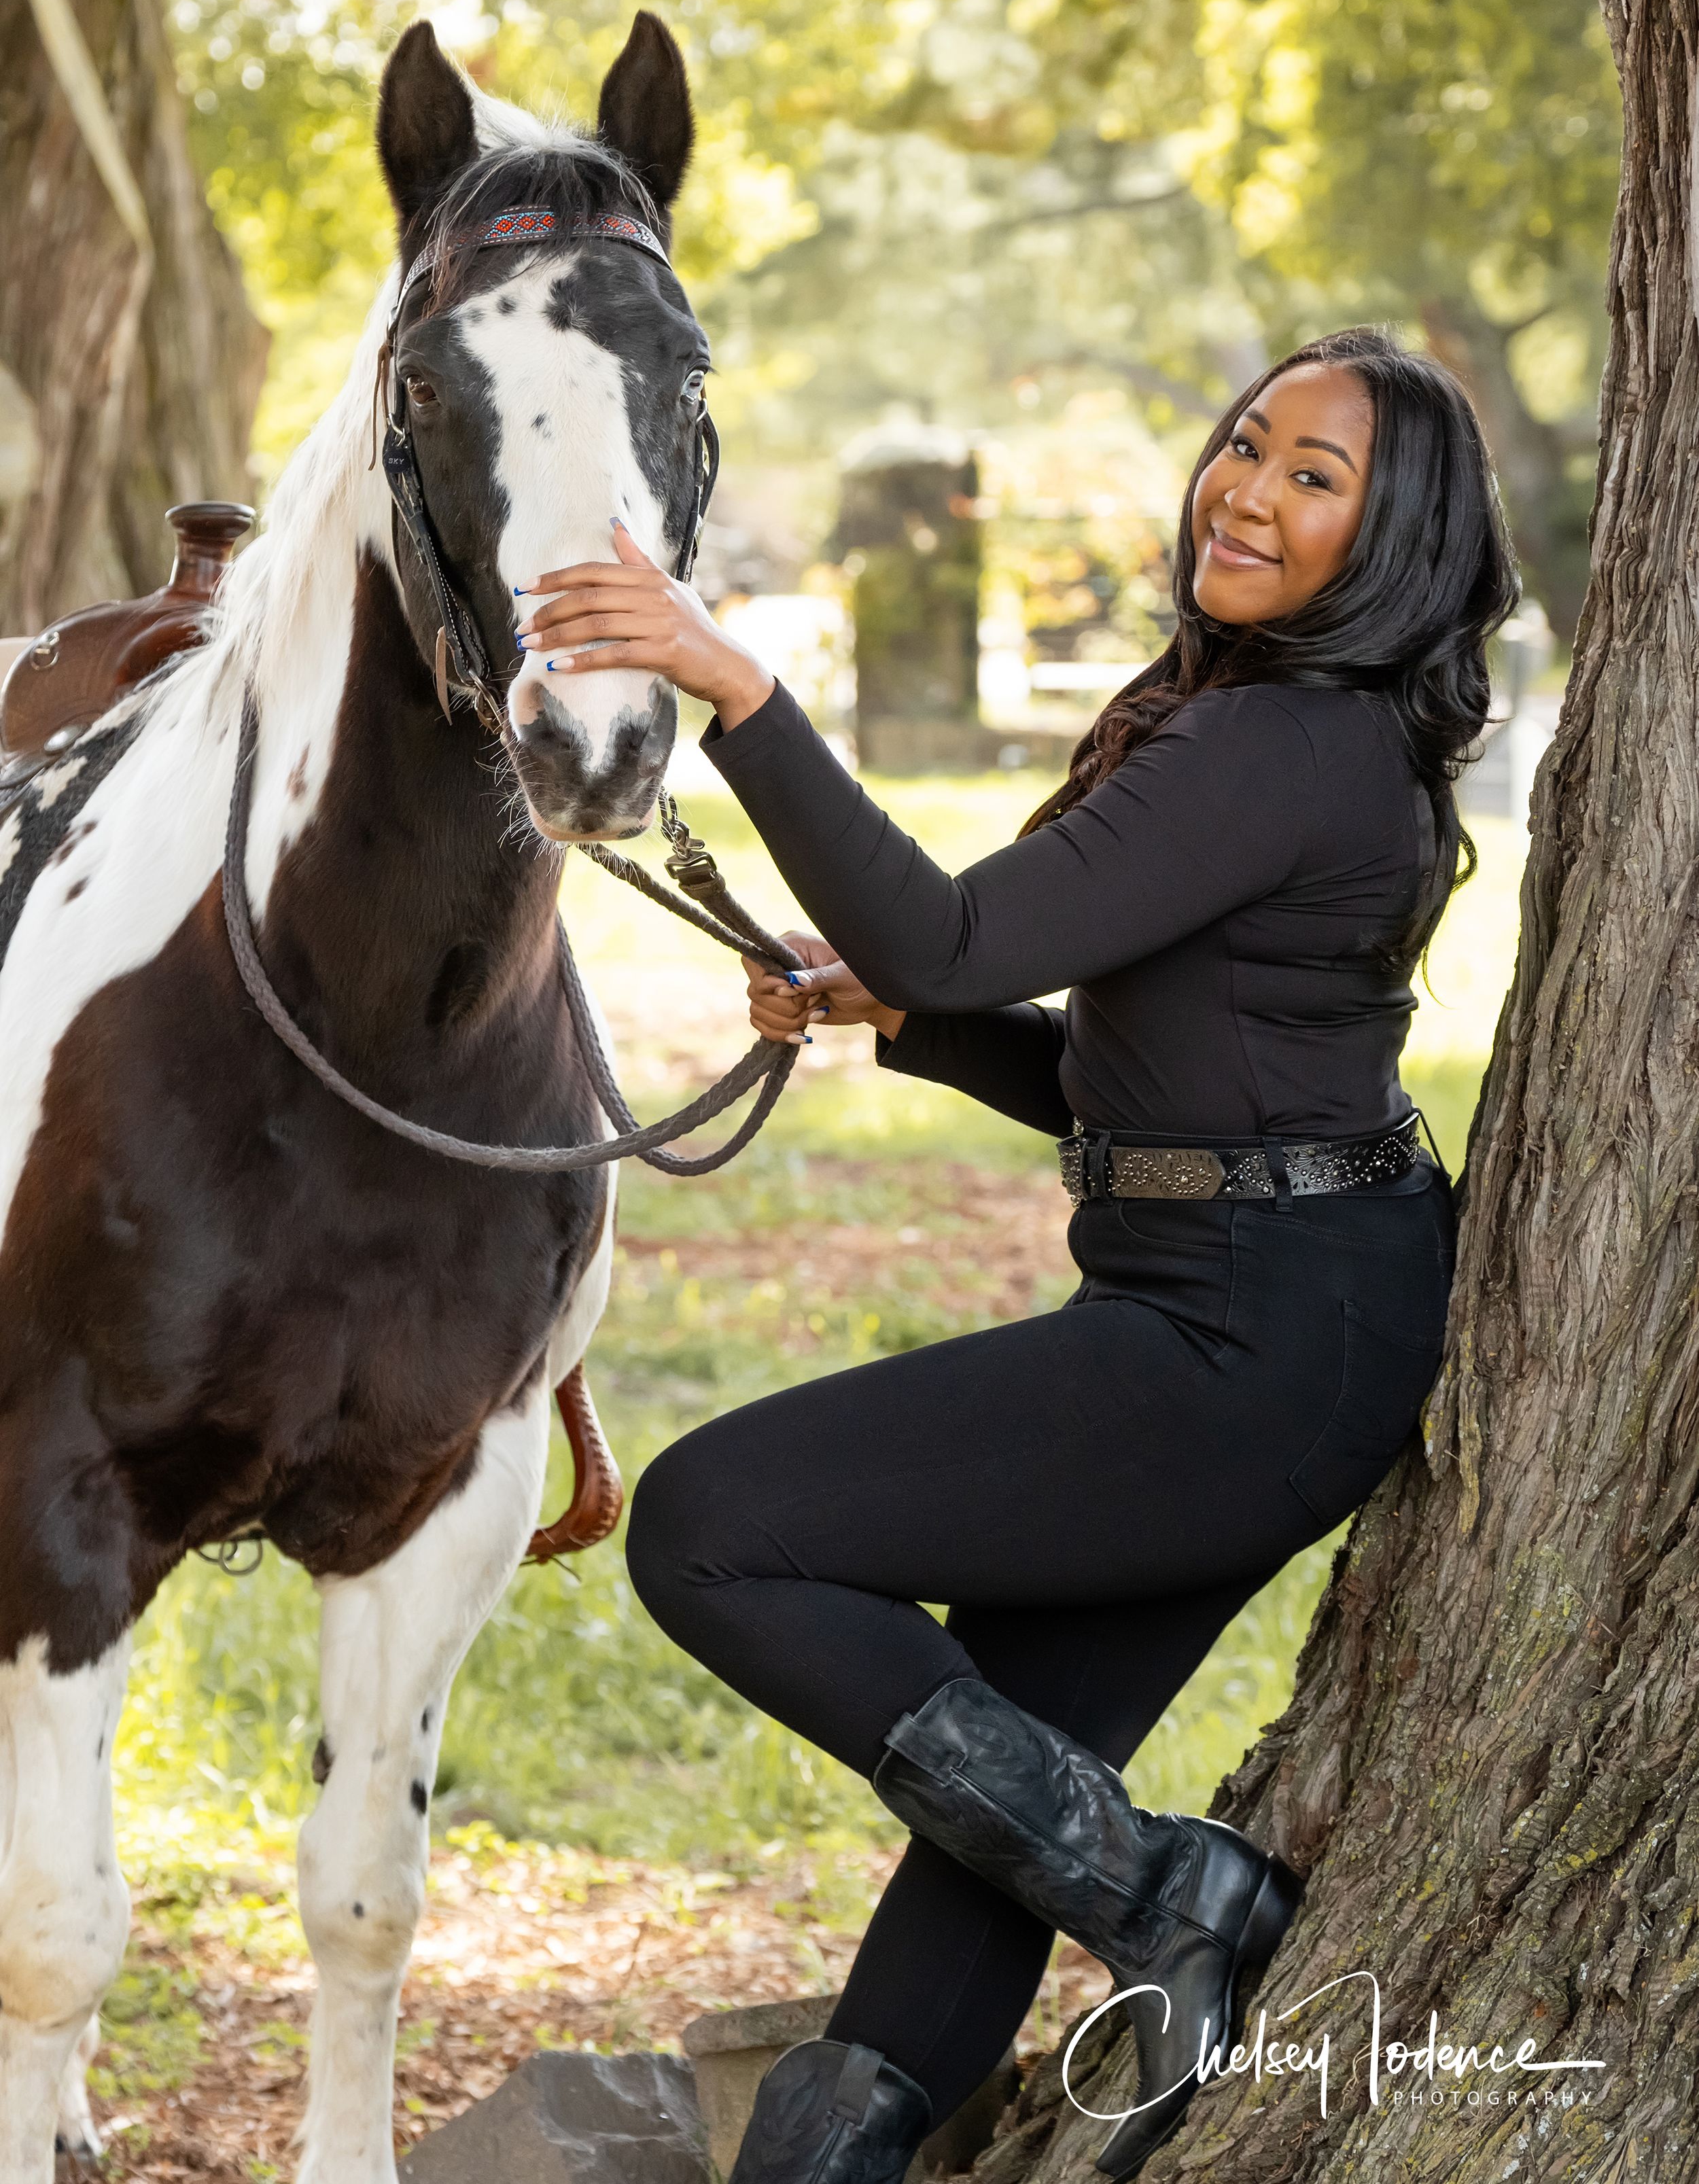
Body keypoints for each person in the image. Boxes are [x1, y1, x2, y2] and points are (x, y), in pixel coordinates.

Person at [514, 327, 1519, 2184]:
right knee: (995, 1811)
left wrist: (741, 691)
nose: (1247, 487)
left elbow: (963, 930)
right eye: (1245, 443)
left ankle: (1166, 1891)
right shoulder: (1273, 730)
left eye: (1316, 477)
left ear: (1393, 546)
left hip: (1255, 1340)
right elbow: (1120, 1082)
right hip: (1267, 1305)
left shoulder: (1283, 739)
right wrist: (889, 1013)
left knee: (714, 1524)